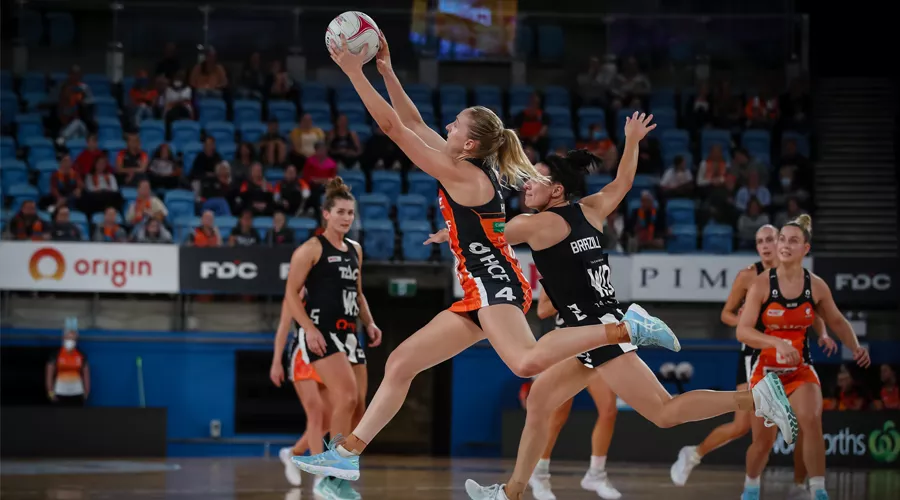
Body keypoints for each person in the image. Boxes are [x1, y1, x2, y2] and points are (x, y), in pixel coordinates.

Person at [291, 33, 681, 485]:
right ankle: (347, 456)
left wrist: (353, 73)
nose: (447, 127)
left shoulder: (465, 175)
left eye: (455, 125)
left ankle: (628, 328)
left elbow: (394, 128)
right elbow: (412, 121)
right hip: (479, 284)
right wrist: (386, 70)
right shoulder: (462, 163)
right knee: (400, 363)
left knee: (526, 363)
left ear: (470, 144)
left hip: (494, 282)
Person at [461, 143, 798, 500]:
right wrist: (633, 141)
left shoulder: (536, 224)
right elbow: (623, 182)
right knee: (540, 402)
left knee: (664, 412)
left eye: (534, 179)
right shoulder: (590, 209)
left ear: (557, 189)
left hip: (597, 332)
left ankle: (757, 398)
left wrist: (454, 221)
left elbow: (487, 234)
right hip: (592, 329)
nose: (526, 184)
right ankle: (510, 493)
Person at [670, 225, 836, 498]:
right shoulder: (748, 276)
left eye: (770, 239)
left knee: (805, 422)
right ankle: (694, 454)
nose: (765, 246)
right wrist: (747, 322)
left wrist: (824, 333)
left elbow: (813, 309)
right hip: (754, 356)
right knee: (742, 426)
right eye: (760, 242)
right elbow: (726, 313)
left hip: (791, 357)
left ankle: (802, 485)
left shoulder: (796, 277)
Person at [737, 215, 871, 500]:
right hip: (766, 372)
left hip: (800, 370)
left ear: (805, 249)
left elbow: (837, 320)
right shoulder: (761, 284)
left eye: (793, 241)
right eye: (782, 239)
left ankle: (818, 490)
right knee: (762, 444)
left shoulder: (816, 286)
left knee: (811, 421)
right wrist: (775, 342)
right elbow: (743, 331)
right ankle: (751, 486)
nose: (785, 245)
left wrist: (855, 347)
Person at [282, 177, 382, 499]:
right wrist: (308, 329)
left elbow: (358, 293)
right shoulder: (311, 249)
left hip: (350, 333)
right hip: (322, 333)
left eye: (350, 213)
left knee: (360, 409)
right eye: (340, 212)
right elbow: (290, 295)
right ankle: (332, 478)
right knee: (346, 397)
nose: (346, 218)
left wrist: (369, 322)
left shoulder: (355, 250)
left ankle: (337, 477)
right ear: (326, 214)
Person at [524, 293, 621, 500]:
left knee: (608, 410)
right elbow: (542, 311)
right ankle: (539, 473)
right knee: (558, 415)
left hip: (595, 345)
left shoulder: (597, 275)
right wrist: (570, 293)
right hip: (566, 346)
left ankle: (596, 473)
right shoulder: (555, 276)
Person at [46, 318, 90, 406]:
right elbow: (49, 375)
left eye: (73, 339)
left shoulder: (81, 355)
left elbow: (86, 375)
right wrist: (50, 393)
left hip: (77, 394)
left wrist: (86, 392)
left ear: (76, 340)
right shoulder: (55, 355)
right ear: (63, 338)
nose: (70, 341)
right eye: (68, 338)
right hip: (60, 393)